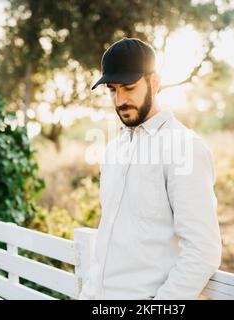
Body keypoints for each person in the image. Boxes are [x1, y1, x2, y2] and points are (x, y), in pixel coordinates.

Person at [79, 38, 222, 300]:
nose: (120, 99)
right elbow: (109, 237)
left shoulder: (185, 148)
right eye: (112, 89)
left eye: (129, 87)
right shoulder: (113, 150)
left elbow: (203, 251)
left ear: (154, 83)